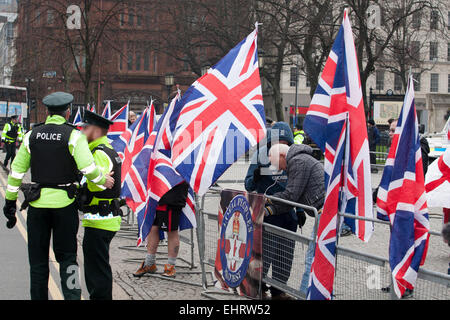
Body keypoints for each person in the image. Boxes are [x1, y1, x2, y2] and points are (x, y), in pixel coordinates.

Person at [2, 92, 115, 300]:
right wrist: (102, 180)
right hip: (65, 206)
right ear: (68, 111)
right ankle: (72, 296)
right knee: (68, 259)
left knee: (37, 262)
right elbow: (88, 168)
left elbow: (16, 172)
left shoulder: (31, 135)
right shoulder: (74, 136)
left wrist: (10, 201)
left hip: (37, 206)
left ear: (46, 111)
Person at [244, 122, 305, 300]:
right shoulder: (260, 156)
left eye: (284, 142)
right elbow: (248, 184)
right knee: (265, 254)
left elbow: (297, 186)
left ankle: (278, 290)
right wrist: (255, 178)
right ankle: (259, 287)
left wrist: (300, 209)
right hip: (268, 214)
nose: (281, 146)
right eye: (278, 142)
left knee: (285, 255)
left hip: (288, 216)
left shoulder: (293, 158)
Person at [264, 143, 325, 296]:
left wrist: (266, 200)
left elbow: (291, 195)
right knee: (315, 257)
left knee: (312, 258)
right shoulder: (298, 161)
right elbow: (291, 201)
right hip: (321, 212)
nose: (280, 170)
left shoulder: (298, 162)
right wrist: (268, 210)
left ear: (283, 156)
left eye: (278, 165)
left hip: (325, 213)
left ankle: (305, 295)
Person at [79, 110, 122, 300]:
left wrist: (82, 184)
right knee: (100, 266)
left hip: (99, 219)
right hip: (104, 218)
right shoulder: (107, 149)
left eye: (85, 128)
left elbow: (99, 185)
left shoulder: (98, 153)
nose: (82, 132)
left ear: (96, 131)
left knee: (97, 271)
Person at [133, 182, 189, 278]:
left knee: (171, 231)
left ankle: (170, 266)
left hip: (171, 197)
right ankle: (150, 263)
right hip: (157, 195)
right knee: (152, 228)